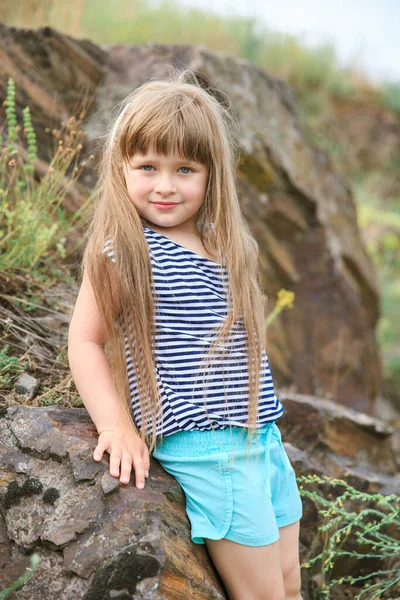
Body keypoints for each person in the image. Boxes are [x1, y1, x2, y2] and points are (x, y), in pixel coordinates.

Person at [68, 68, 303, 600]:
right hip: (209, 452)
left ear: (211, 175)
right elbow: (84, 341)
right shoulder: (124, 253)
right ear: (122, 167)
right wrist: (117, 426)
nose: (166, 185)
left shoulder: (227, 247)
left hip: (263, 438)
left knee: (290, 584)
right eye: (147, 166)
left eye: (185, 169)